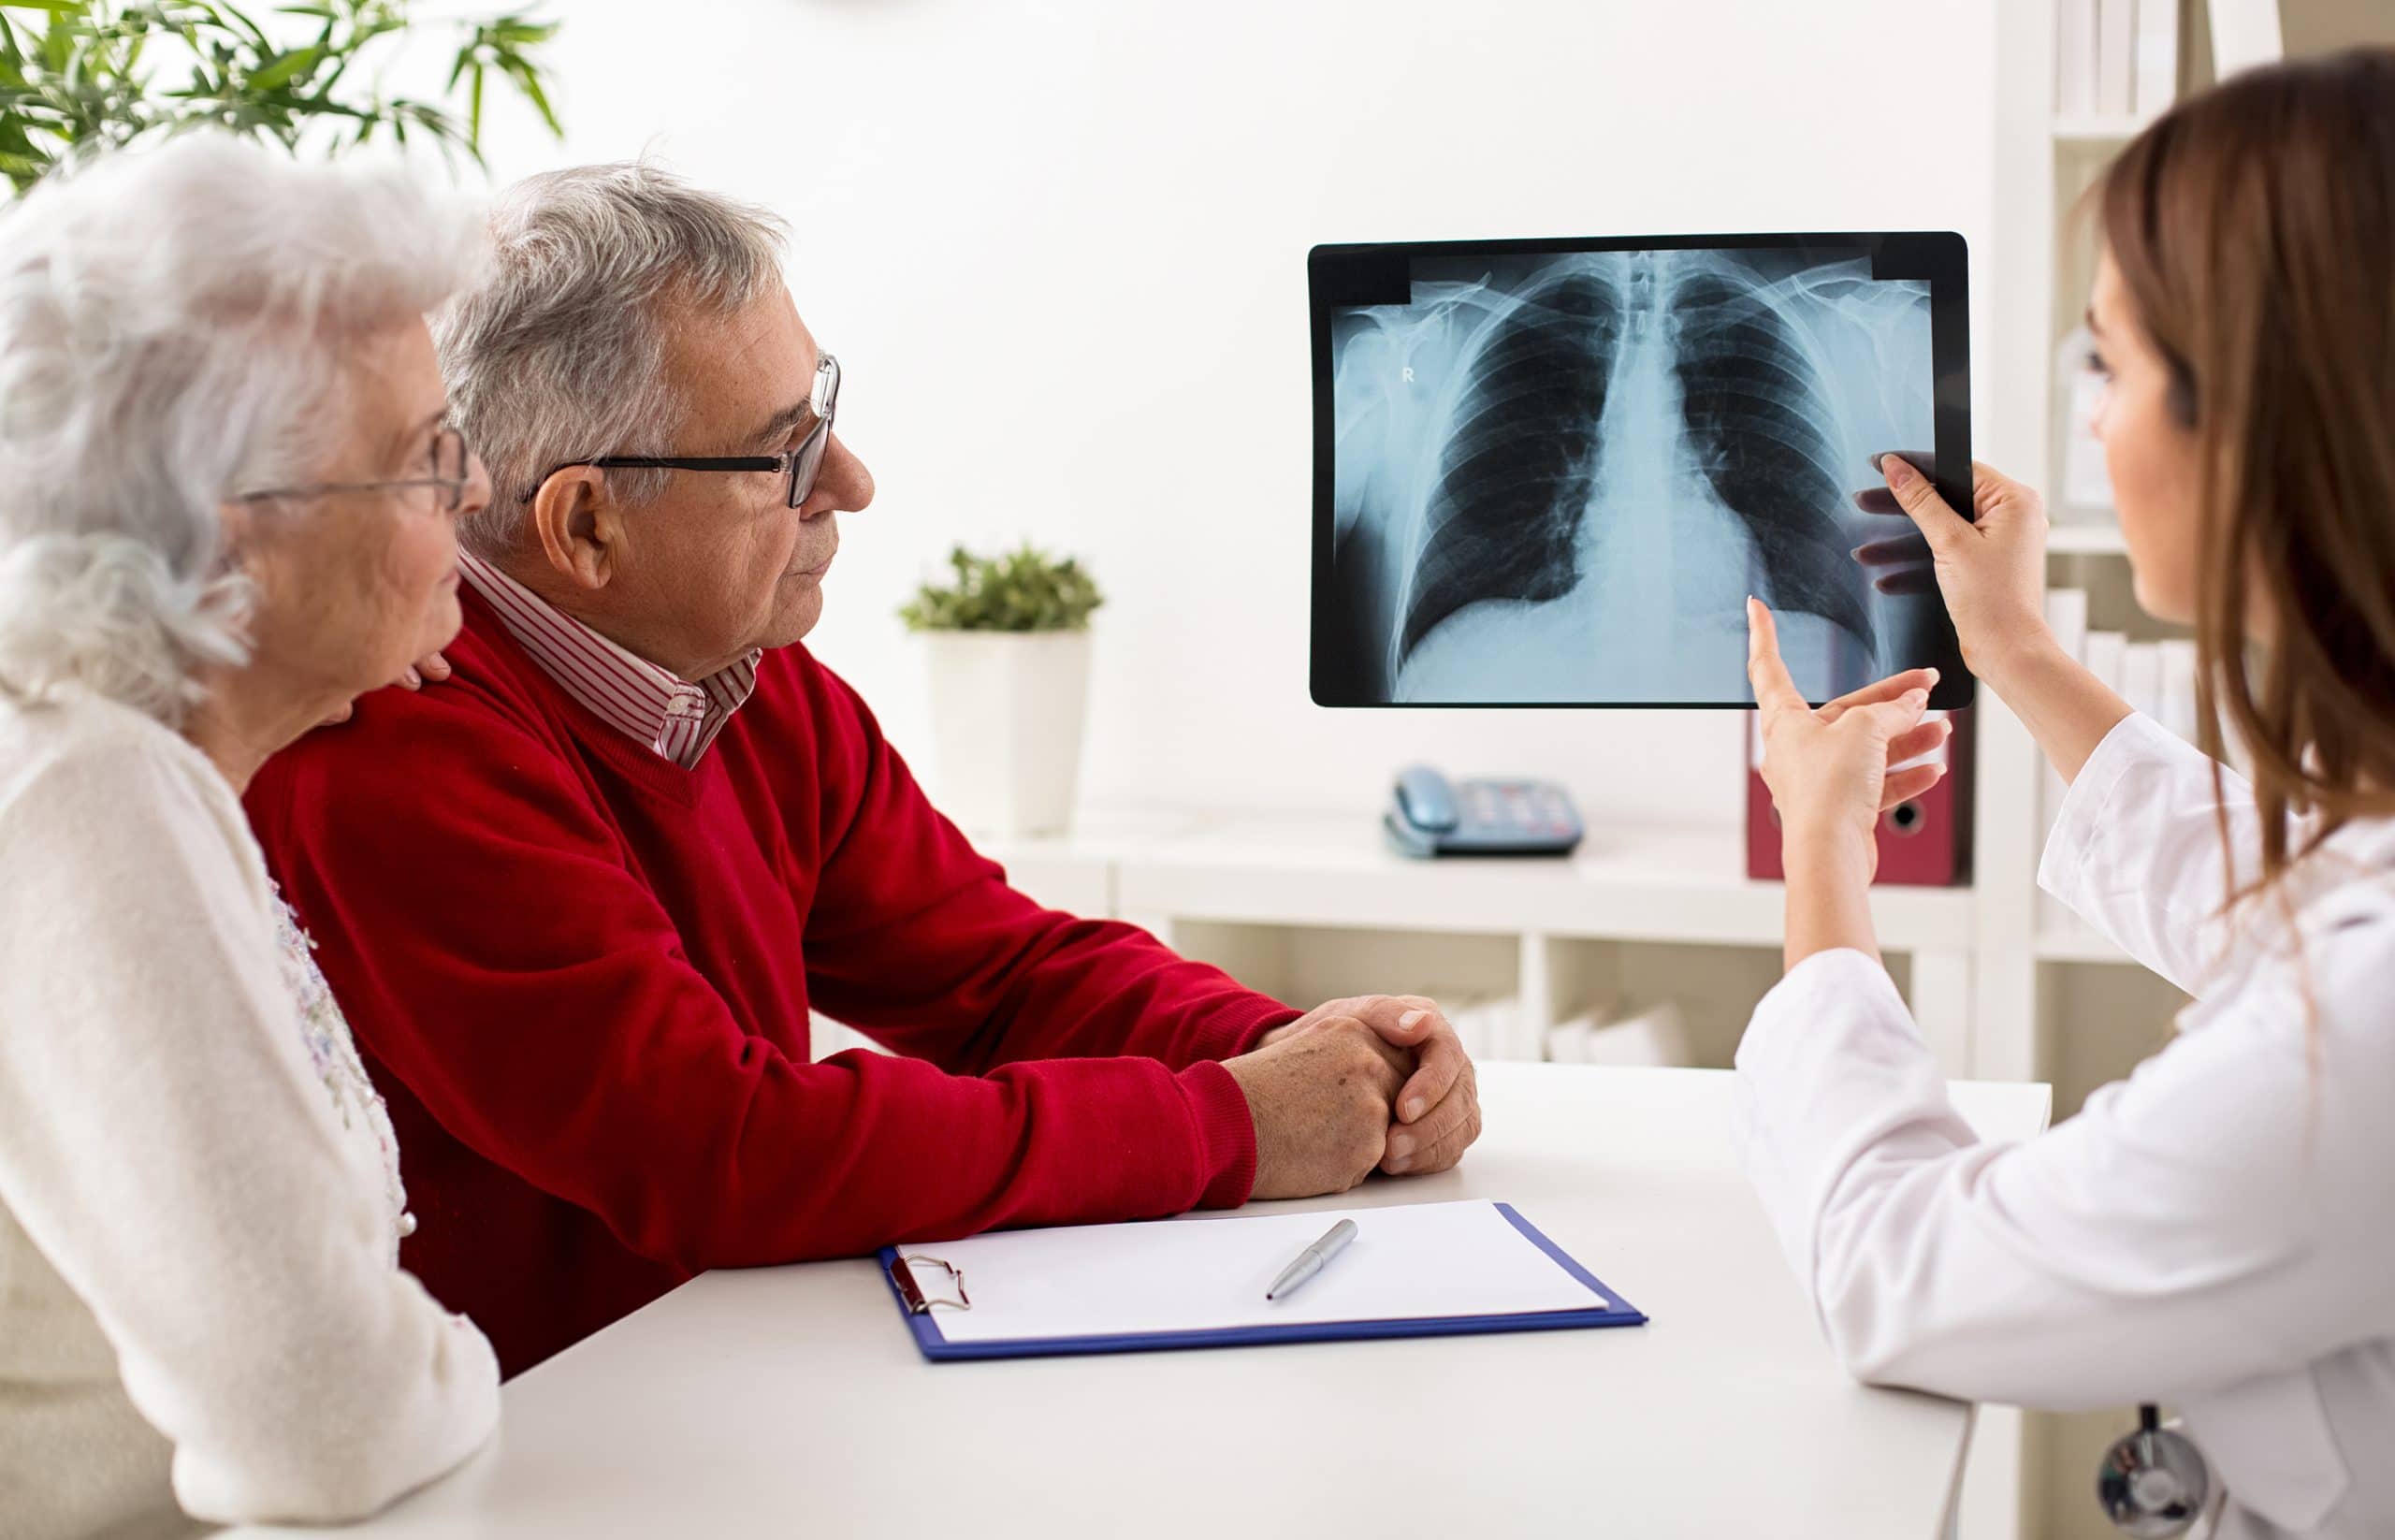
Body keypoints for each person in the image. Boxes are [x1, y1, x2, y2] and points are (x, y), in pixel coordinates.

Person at [246, 162, 1484, 1377]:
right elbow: (727, 1150)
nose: (850, 482)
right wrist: (1236, 1123)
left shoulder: (745, 680)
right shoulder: (393, 745)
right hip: (530, 1463)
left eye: (822, 413)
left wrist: (1308, 1048)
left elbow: (999, 974)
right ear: (585, 527)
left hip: (727, 1386)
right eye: (785, 455)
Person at [1735, 48, 2395, 1540]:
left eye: (2112, 362)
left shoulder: (2358, 1036)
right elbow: (2275, 910)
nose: (2089, 420)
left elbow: (1897, 1268)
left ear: (2270, 416)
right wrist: (2017, 651)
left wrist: (1825, 846)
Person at [0, 135, 501, 1536]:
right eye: (424, 460)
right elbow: (331, 1416)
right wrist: (449, 1365)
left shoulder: (114, 762)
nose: (471, 498)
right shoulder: (83, 794)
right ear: (228, 542)